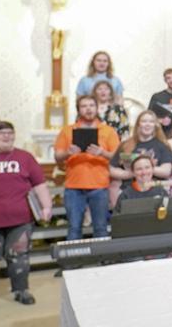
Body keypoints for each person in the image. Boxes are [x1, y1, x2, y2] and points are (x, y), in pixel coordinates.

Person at [0, 121, 51, 315]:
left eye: (10, 133)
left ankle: (21, 290)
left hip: (20, 220)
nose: (6, 137)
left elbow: (40, 184)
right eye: (1, 133)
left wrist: (46, 206)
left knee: (19, 258)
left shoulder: (25, 158)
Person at [54, 95, 119, 240]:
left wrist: (102, 152)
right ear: (78, 110)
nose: (88, 109)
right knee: (74, 228)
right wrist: (68, 152)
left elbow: (117, 157)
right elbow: (57, 156)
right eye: (84, 106)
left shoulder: (108, 131)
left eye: (91, 105)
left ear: (97, 108)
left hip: (99, 186)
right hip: (74, 187)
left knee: (101, 228)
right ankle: (73, 262)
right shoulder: (67, 130)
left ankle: (102, 261)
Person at [108, 110, 172, 209]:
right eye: (144, 121)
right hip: (130, 193)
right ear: (138, 124)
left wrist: (145, 168)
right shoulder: (126, 144)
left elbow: (166, 171)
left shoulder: (162, 145)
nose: (147, 125)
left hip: (154, 192)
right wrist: (130, 173)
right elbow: (111, 169)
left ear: (155, 125)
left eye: (151, 122)